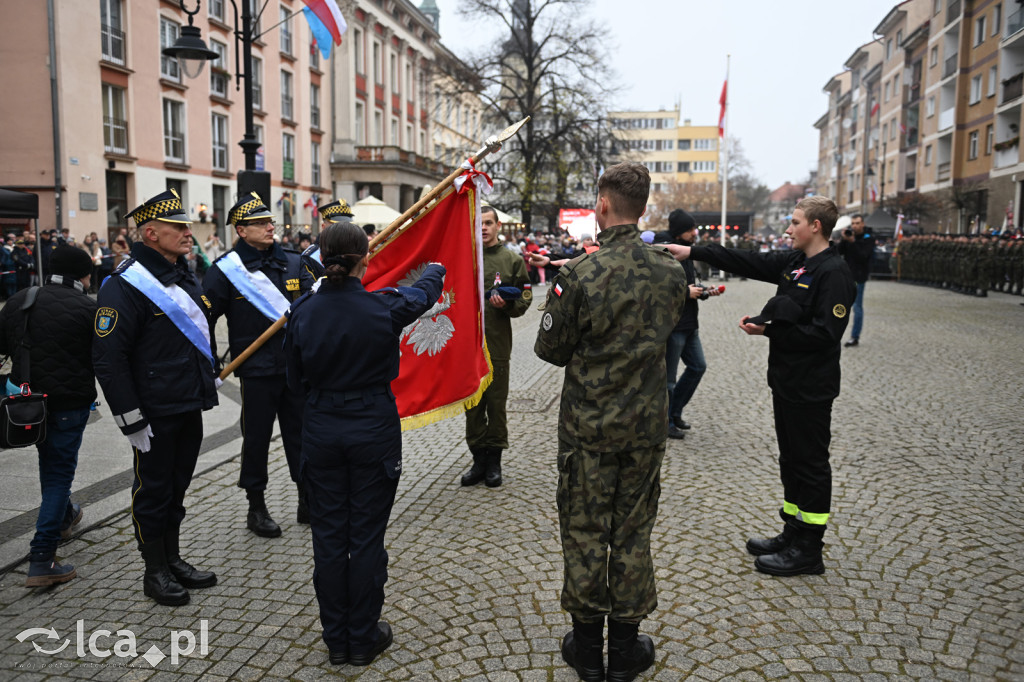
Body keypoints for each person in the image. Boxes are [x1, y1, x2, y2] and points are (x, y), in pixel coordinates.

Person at [535, 162, 687, 682]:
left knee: (583, 532)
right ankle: (623, 651)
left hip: (589, 431)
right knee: (632, 532)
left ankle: (586, 649)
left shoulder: (580, 274)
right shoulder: (671, 271)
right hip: (645, 430)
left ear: (602, 205)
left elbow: (550, 351)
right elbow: (669, 328)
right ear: (643, 208)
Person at [664, 195, 855, 578]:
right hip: (786, 381)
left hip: (811, 386)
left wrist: (770, 331)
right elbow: (746, 260)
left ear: (815, 226)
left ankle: (809, 550)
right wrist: (693, 251)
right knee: (791, 460)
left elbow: (825, 333)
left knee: (811, 464)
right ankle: (792, 532)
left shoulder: (833, 272)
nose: (788, 229)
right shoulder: (797, 263)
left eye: (795, 222)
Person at [283, 221, 445, 667]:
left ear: (320, 256)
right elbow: (424, 294)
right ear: (366, 260)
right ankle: (363, 634)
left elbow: (293, 379)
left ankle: (337, 640)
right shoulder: (383, 308)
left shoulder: (302, 311)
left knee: (330, 537)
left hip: (320, 429)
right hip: (372, 427)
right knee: (367, 537)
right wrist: (436, 264)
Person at [92, 189, 219, 606]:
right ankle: (154, 571)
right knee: (153, 491)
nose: (188, 233)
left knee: (177, 487)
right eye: (179, 227)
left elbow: (192, 336)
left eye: (187, 226)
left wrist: (208, 375)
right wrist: (131, 418)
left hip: (186, 403)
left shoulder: (183, 273)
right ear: (150, 233)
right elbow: (110, 358)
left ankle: (173, 558)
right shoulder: (124, 285)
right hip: (154, 412)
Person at [204, 192, 306, 537]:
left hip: (296, 368)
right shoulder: (226, 271)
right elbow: (200, 320)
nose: (270, 226)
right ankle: (256, 505)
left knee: (302, 435)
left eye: (270, 221)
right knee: (257, 438)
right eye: (261, 223)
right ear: (241, 230)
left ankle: (307, 497)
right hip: (257, 370)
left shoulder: (293, 262)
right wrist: (209, 362)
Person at [0, 246, 97, 587]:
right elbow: (102, 357)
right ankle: (42, 557)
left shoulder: (19, 301)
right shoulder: (89, 308)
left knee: (51, 467)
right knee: (58, 475)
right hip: (69, 406)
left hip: (27, 405)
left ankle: (65, 515)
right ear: (82, 274)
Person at [459, 205, 532, 488]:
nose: (485, 228)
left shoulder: (511, 260)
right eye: (480, 224)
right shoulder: (465, 258)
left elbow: (525, 297)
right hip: (467, 347)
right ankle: (478, 460)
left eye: (489, 223)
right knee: (473, 405)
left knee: (496, 405)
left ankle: (494, 462)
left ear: (498, 225)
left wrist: (509, 306)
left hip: (497, 345)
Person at [664, 209, 721, 441]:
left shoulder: (687, 253)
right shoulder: (666, 252)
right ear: (680, 232)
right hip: (674, 326)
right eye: (690, 230)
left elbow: (690, 286)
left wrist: (704, 292)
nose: (695, 233)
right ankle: (665, 421)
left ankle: (675, 412)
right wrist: (685, 292)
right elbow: (657, 288)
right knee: (668, 379)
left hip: (690, 324)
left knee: (698, 367)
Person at [299, 198, 355, 292]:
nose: (344, 230)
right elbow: (309, 291)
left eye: (347, 225)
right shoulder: (311, 256)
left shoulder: (358, 251)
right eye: (336, 226)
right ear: (324, 227)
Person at [837, 213, 874, 347]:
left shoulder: (868, 238)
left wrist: (853, 242)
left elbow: (863, 256)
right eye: (853, 223)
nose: (855, 226)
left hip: (859, 277)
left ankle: (855, 336)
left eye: (858, 223)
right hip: (846, 276)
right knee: (839, 306)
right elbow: (838, 252)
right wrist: (844, 239)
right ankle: (834, 333)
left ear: (863, 224)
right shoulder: (848, 236)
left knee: (857, 307)